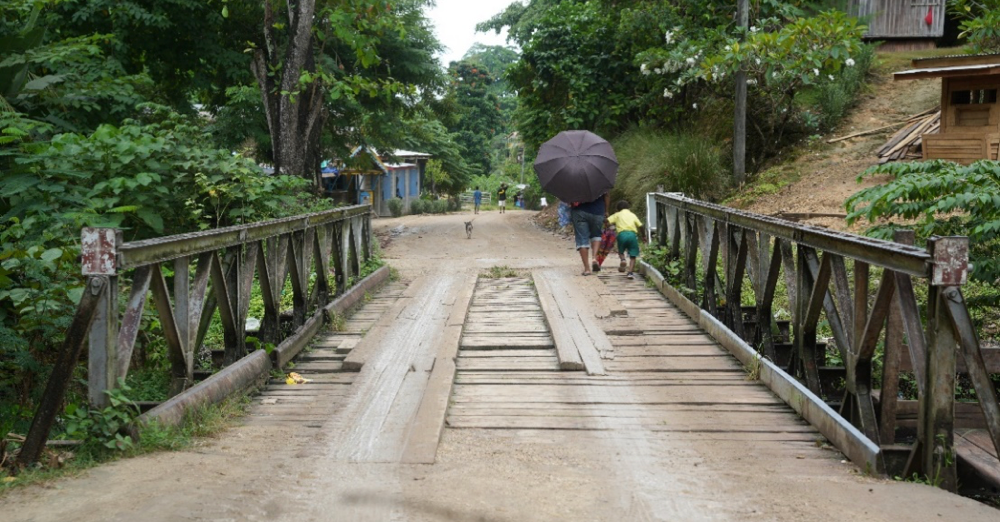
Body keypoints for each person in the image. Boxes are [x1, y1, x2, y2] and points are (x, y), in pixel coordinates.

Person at [571, 192, 610, 276]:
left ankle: (587, 269)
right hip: (598, 211)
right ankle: (594, 258)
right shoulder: (600, 180)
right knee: (596, 234)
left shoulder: (574, 180)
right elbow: (606, 195)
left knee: (582, 238)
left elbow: (568, 198)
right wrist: (606, 211)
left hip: (579, 211)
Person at [606, 200, 644, 279]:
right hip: (632, 235)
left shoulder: (617, 214)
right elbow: (641, 225)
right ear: (628, 207)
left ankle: (623, 260)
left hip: (622, 235)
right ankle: (630, 272)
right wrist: (644, 236)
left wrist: (608, 226)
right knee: (633, 255)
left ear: (618, 209)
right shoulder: (632, 215)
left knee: (621, 251)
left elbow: (607, 221)